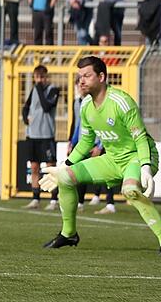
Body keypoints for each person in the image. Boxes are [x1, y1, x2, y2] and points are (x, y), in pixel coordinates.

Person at [39, 56, 161, 255]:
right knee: (65, 177)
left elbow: (140, 139)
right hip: (113, 159)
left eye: (87, 76)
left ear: (102, 77)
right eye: (80, 77)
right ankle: (69, 233)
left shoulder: (121, 102)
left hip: (137, 157)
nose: (81, 81)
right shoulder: (86, 107)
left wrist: (145, 168)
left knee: (130, 190)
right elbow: (86, 143)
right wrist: (65, 165)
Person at [66, 75, 114, 215]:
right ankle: (80, 203)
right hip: (83, 143)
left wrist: (99, 145)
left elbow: (106, 125)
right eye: (79, 84)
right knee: (80, 173)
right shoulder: (79, 103)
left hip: (99, 143)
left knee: (107, 174)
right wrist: (72, 142)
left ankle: (109, 203)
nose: (81, 86)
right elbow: (78, 125)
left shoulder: (102, 102)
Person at [22, 65, 60, 210]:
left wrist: (38, 87)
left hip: (46, 135)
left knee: (51, 168)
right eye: (37, 77)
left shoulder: (53, 91)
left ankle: (53, 200)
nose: (40, 80)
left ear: (46, 77)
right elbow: (25, 108)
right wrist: (26, 119)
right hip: (33, 135)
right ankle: (35, 199)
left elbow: (46, 106)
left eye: (42, 77)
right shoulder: (34, 90)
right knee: (34, 167)